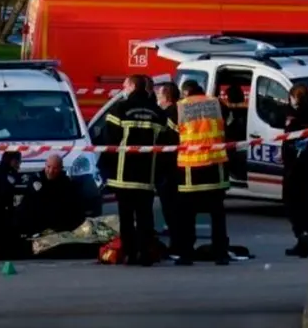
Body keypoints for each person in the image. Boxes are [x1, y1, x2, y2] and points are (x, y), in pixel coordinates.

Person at [98, 75, 168, 266]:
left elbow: (108, 140)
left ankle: (129, 254)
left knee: (126, 218)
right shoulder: (157, 112)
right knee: (145, 215)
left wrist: (107, 168)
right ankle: (145, 254)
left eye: (125, 85)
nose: (123, 88)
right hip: (146, 175)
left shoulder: (119, 109)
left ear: (132, 87)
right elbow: (165, 142)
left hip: (123, 175)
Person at [172, 80, 230, 266]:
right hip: (216, 167)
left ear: (185, 92)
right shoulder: (216, 103)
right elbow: (229, 125)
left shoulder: (180, 108)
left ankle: (186, 254)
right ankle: (221, 254)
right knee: (218, 214)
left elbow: (172, 135)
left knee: (187, 215)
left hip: (191, 169)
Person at [282, 83, 308, 258]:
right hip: (307, 164)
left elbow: (289, 138)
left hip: (295, 165)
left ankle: (301, 235)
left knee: (292, 201)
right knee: (304, 201)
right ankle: (304, 236)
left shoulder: (294, 116)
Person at [18, 154, 85, 235]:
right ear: (45, 166)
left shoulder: (66, 183)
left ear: (61, 168)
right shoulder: (36, 179)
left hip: (58, 225)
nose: (50, 171)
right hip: (37, 223)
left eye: (55, 168)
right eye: (48, 167)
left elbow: (72, 205)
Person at [154, 82, 181, 248]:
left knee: (171, 208)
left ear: (166, 97)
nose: (158, 99)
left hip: (168, 167)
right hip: (178, 165)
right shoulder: (181, 111)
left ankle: (176, 242)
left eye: (159, 95)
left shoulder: (167, 115)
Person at [221, 84, 249, 183]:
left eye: (229, 96)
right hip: (236, 143)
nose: (227, 99)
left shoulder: (234, 111)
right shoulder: (235, 110)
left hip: (237, 143)